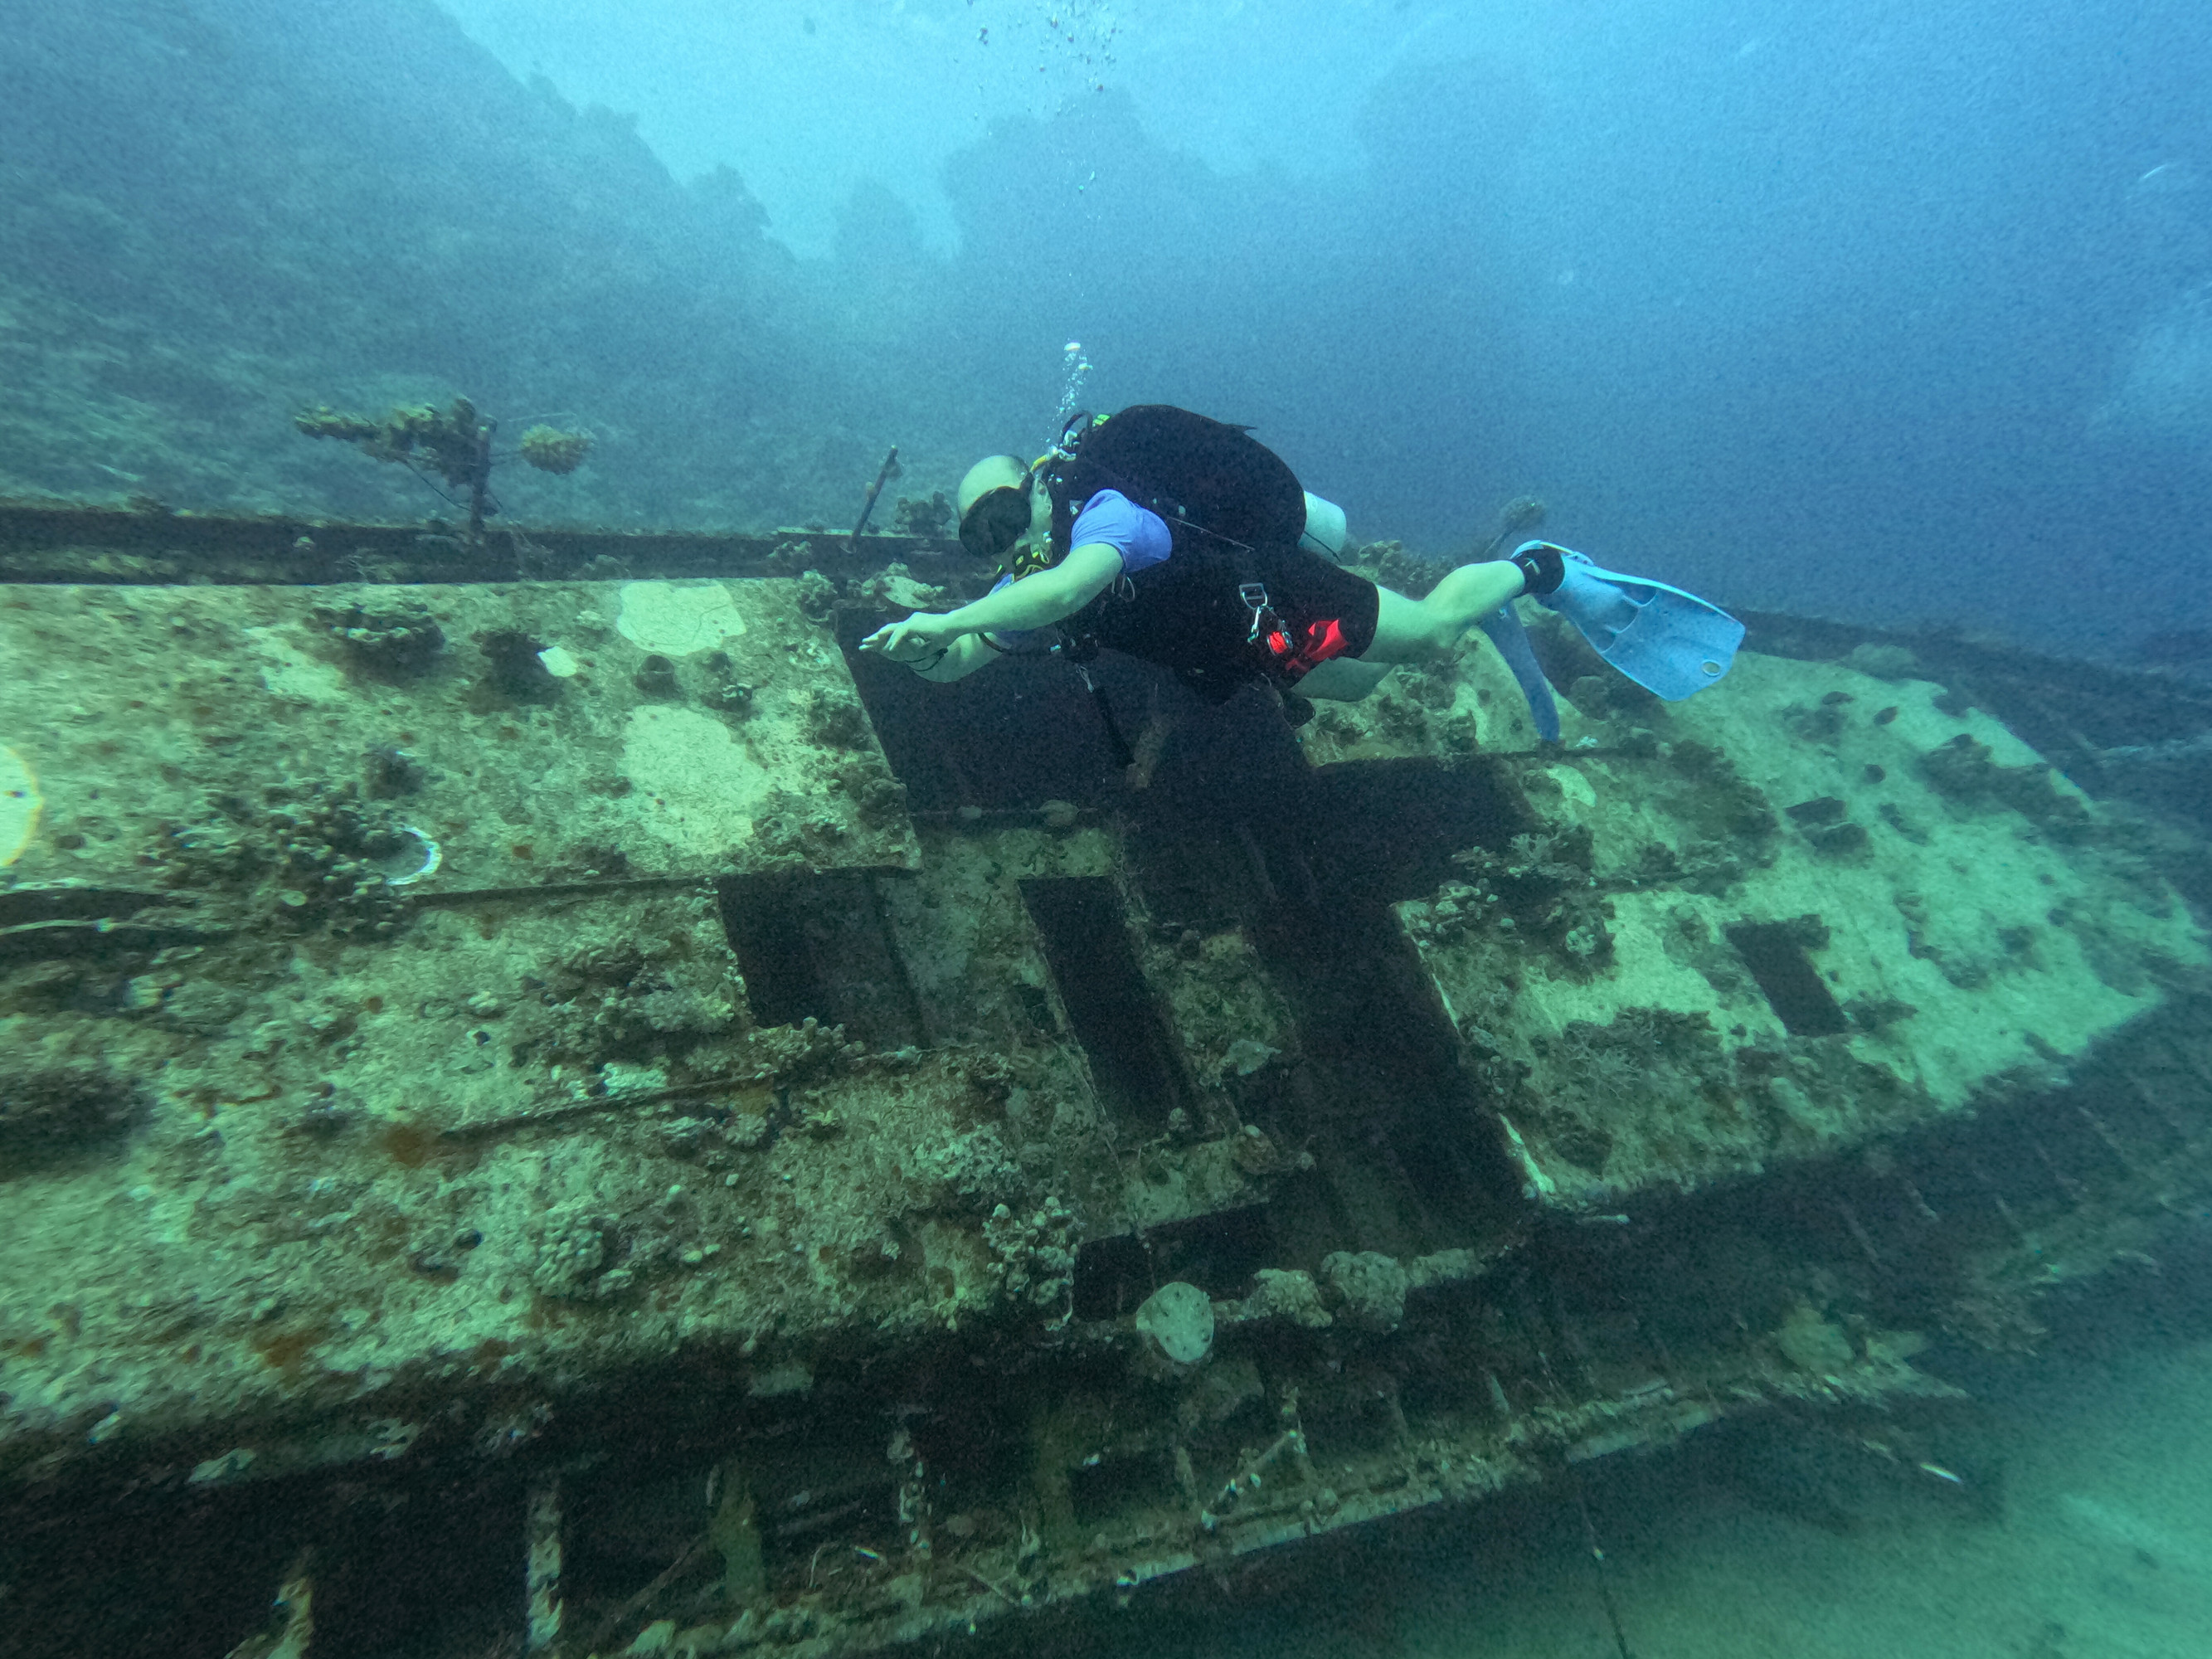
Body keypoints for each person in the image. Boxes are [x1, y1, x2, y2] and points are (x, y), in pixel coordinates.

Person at [858, 406, 1566, 708]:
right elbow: (958, 661)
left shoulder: (1105, 514)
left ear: (1040, 484)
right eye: (985, 538)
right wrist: (923, 652)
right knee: (1359, 686)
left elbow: (1066, 593)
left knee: (1432, 637)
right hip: (1244, 644)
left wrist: (946, 618)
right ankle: (1478, 602)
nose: (1009, 543)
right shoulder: (1023, 584)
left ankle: (1534, 567)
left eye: (1008, 517)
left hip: (1279, 594)